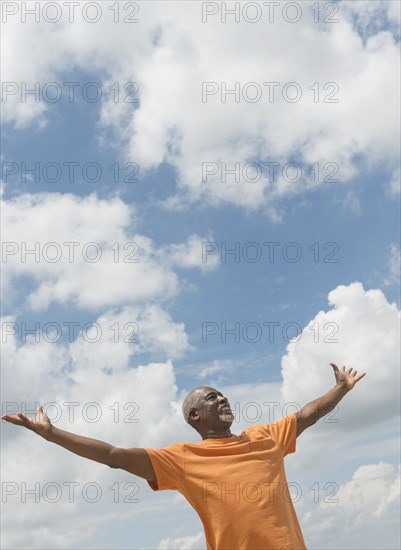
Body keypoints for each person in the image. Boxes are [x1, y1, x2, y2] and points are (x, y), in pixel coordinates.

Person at [2, 363, 365, 549]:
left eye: (223, 395)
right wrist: (51, 435)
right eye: (212, 398)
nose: (222, 399)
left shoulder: (266, 437)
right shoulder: (182, 459)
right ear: (194, 417)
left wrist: (340, 389)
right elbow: (114, 455)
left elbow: (307, 415)